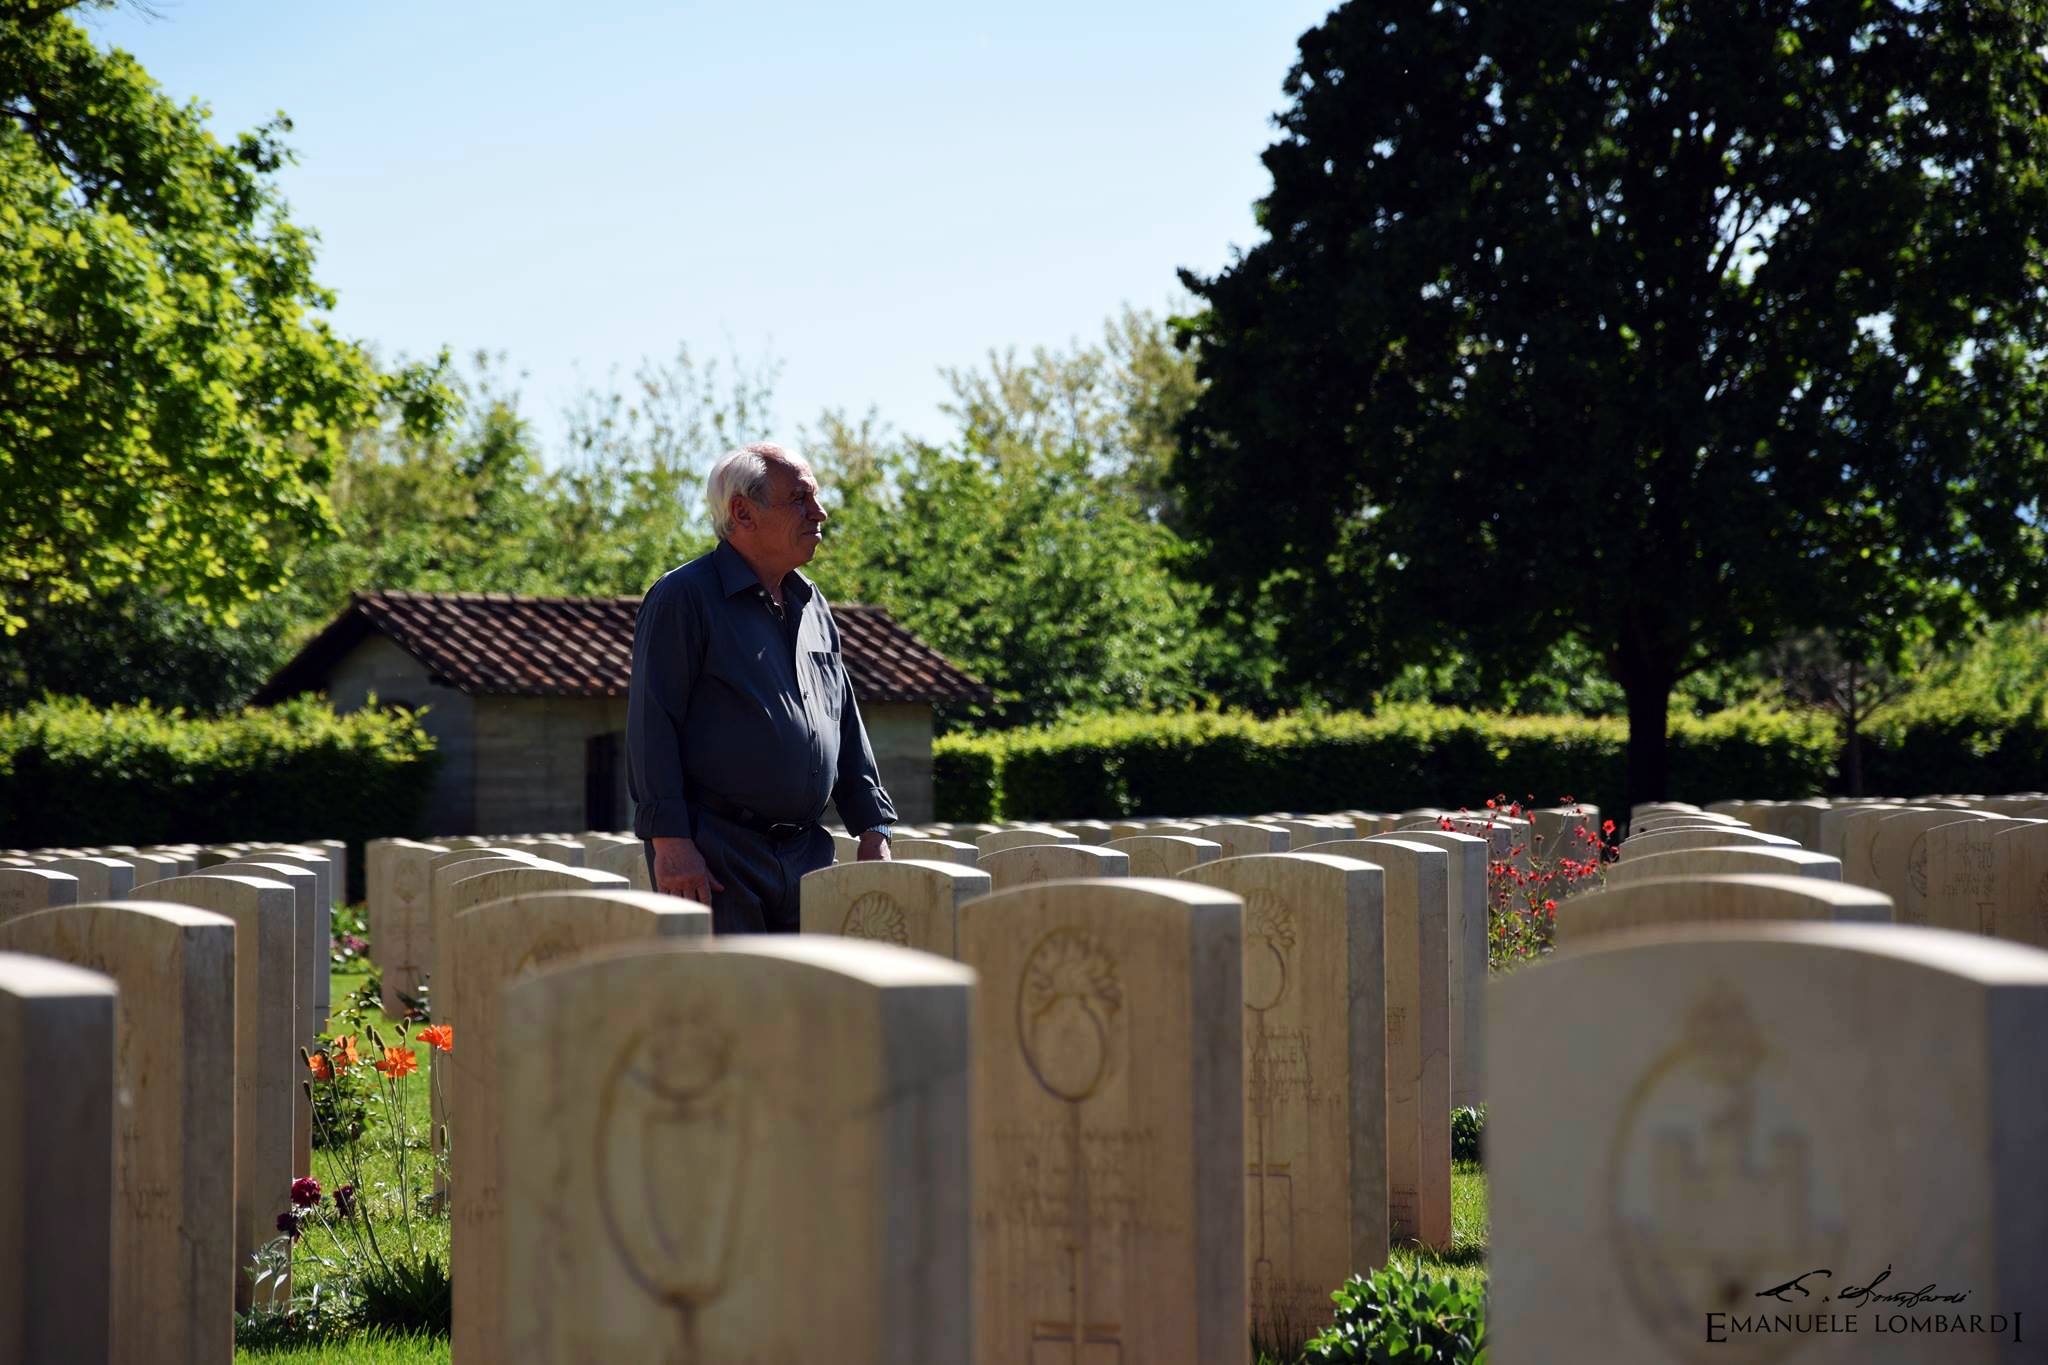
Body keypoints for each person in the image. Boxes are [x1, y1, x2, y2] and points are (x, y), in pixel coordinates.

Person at [626, 442, 895, 932]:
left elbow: (844, 722)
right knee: (733, 1004)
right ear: (742, 512)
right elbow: (652, 724)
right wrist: (671, 842)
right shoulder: (683, 598)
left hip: (807, 852)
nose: (820, 512)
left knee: (805, 1004)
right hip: (717, 855)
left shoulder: (812, 604)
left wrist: (873, 826)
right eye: (799, 499)